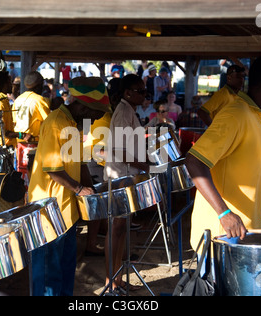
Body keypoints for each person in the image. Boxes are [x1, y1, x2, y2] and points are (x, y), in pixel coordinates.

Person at [185, 55, 261, 250]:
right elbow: (194, 161)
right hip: (221, 235)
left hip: (241, 234)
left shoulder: (257, 114)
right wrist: (224, 213)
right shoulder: (236, 115)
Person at [28, 76, 110, 296]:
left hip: (67, 212)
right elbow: (52, 168)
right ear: (81, 106)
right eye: (94, 114)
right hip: (49, 213)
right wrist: (79, 189)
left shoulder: (73, 124)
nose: (94, 121)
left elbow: (79, 162)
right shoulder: (56, 122)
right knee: (48, 276)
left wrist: (91, 189)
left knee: (65, 272)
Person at [103, 74, 150, 292]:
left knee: (122, 230)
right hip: (119, 176)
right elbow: (121, 151)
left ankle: (117, 278)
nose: (144, 94)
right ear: (127, 93)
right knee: (116, 229)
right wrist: (146, 166)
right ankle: (110, 281)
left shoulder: (129, 110)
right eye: (140, 91)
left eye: (144, 90)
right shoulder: (123, 112)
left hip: (126, 175)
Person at [13, 71, 50, 142]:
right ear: (39, 86)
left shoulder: (18, 99)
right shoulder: (39, 100)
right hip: (32, 143)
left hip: (19, 142)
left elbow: (14, 122)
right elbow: (49, 122)